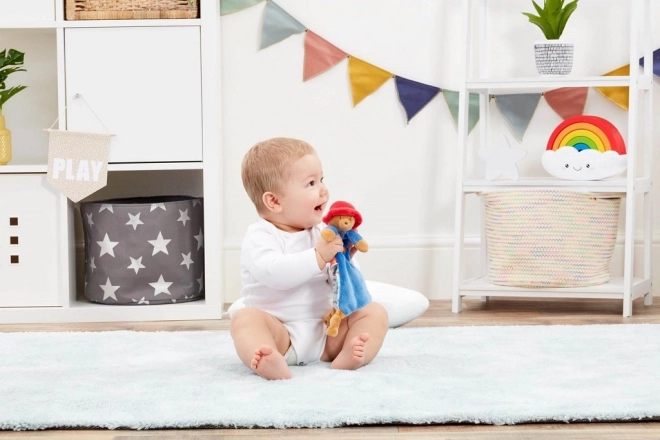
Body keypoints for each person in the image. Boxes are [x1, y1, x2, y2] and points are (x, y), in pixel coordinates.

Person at [231, 137, 389, 380]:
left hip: (328, 332)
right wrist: (317, 257)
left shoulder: (321, 234)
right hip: (280, 331)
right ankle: (268, 358)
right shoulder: (260, 235)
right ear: (273, 201)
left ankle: (350, 355)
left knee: (375, 312)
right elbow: (274, 273)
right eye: (311, 183)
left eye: (322, 179)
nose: (324, 190)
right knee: (244, 319)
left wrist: (345, 261)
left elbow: (344, 286)